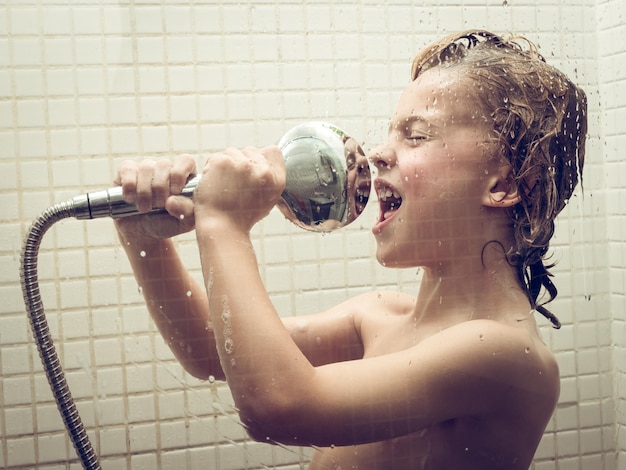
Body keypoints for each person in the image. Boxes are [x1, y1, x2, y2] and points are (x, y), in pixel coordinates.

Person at [113, 30, 586, 469]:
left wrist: (223, 225)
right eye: (391, 132)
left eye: (416, 135)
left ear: (504, 183)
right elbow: (208, 348)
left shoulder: (506, 354)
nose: (379, 153)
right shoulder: (377, 317)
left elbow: (280, 408)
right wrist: (142, 239)